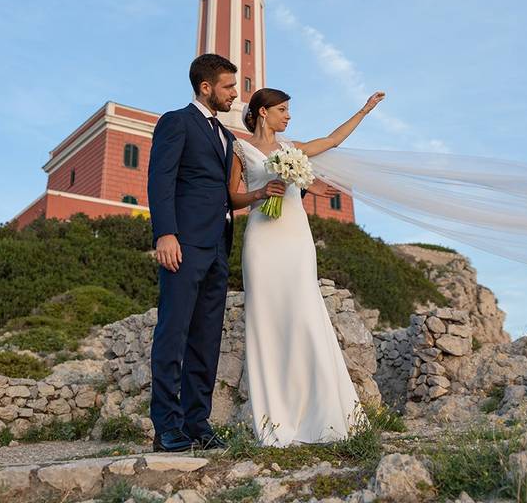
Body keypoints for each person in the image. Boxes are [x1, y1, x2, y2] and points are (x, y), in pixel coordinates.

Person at [230, 87, 386, 447]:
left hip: (296, 239)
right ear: (262, 112)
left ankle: (321, 416)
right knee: (267, 321)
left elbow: (332, 140)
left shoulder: (292, 149)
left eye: (288, 110)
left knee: (304, 315)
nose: (288, 116)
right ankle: (276, 421)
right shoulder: (239, 149)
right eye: (282, 110)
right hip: (261, 240)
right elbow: (231, 196)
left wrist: (364, 111)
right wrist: (259, 194)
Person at [146, 54, 285, 452]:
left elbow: (226, 194)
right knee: (173, 333)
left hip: (219, 248)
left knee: (206, 339)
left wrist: (260, 193)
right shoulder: (177, 121)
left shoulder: (226, 137)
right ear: (206, 87)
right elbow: (160, 179)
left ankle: (197, 424)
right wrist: (165, 234)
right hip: (184, 244)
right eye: (227, 87)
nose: (233, 94)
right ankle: (167, 427)